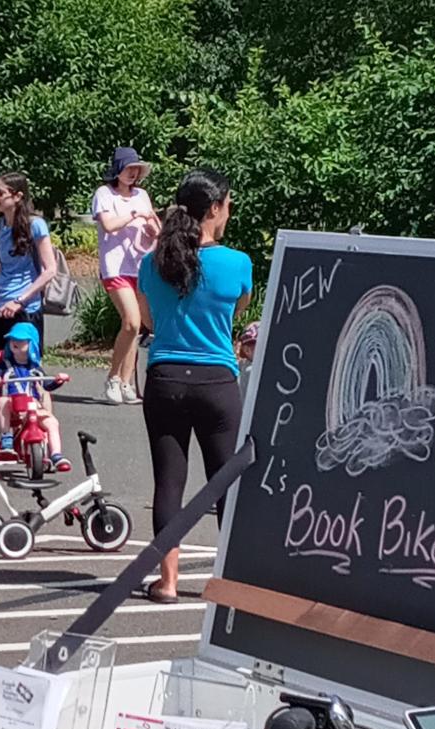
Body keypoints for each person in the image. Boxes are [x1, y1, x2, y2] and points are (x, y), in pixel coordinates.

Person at [137, 167, 252, 604]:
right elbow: (237, 313)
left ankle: (167, 582)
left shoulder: (153, 261)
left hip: (165, 377)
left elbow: (147, 320)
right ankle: (232, 584)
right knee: (225, 480)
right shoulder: (237, 262)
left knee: (169, 482)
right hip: (216, 380)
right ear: (216, 208)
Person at [91, 147, 160, 405]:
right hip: (115, 268)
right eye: (129, 168)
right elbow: (108, 225)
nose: (133, 174)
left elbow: (154, 227)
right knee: (131, 321)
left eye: (137, 170)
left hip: (140, 266)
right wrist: (133, 215)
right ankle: (113, 379)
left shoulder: (142, 195)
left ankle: (127, 382)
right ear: (118, 170)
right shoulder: (104, 194)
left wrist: (152, 229)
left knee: (135, 326)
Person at [0, 172, 57, 356]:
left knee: (27, 372)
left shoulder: (35, 225)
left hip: (25, 308)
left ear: (18, 196)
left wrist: (20, 300)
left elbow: (50, 270)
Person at [0, 322, 71, 471]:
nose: (15, 343)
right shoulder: (5, 365)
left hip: (31, 404)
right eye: (12, 340)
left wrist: (58, 380)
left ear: (31, 344)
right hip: (13, 403)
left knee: (51, 422)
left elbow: (47, 385)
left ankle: (56, 454)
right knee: (2, 401)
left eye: (20, 341)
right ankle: (6, 436)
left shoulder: (35, 369)